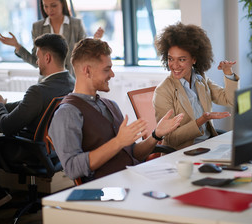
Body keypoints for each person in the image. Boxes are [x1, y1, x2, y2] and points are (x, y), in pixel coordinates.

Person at [48, 38, 184, 183]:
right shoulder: (67, 113)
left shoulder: (110, 105)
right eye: (107, 69)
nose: (112, 74)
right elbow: (72, 168)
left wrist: (156, 135)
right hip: (107, 190)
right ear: (87, 71)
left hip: (134, 179)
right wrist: (118, 142)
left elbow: (133, 154)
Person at [153, 22, 239, 150]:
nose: (174, 65)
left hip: (209, 145)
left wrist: (228, 72)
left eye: (181, 59)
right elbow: (170, 138)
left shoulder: (200, 78)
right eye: (171, 59)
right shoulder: (163, 91)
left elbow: (230, 99)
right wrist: (202, 120)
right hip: (183, 153)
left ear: (194, 59)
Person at [0, 0, 104, 77]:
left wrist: (95, 40)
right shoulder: (37, 27)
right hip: (48, 83)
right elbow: (36, 62)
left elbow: (82, 55)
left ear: (62, 3)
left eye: (53, 5)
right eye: (45, 6)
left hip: (71, 81)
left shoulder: (75, 24)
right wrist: (17, 46)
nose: (49, 10)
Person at [0, 33, 75, 137]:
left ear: (47, 58)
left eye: (38, 57)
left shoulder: (37, 91)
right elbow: (27, 105)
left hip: (27, 147)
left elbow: (6, 127)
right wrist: (2, 105)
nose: (37, 62)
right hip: (52, 148)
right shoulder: (72, 83)